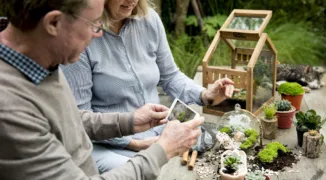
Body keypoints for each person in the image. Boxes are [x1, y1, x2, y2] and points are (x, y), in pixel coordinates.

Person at [0, 0, 204, 179]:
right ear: (53, 23)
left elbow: (70, 119)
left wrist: (128, 121)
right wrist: (162, 151)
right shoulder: (10, 109)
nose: (98, 34)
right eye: (94, 24)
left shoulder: (41, 58)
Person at [61, 0, 236, 172]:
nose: (132, 1)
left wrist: (206, 95)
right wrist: (134, 144)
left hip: (156, 132)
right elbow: (80, 120)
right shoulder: (83, 36)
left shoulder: (149, 19)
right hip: (106, 144)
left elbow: (170, 76)